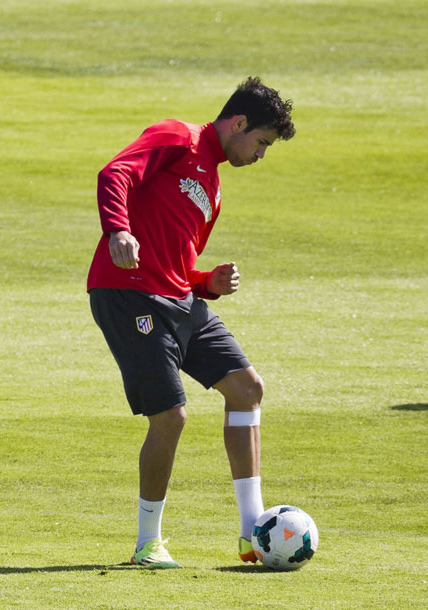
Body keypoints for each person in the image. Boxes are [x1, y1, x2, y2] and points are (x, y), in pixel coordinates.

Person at [87, 77, 295, 568]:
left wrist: (208, 282)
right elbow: (114, 173)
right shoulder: (176, 136)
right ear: (238, 123)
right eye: (262, 142)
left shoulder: (214, 190)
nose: (261, 154)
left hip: (178, 299)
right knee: (171, 416)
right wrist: (117, 229)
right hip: (128, 293)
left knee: (247, 388)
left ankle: (252, 533)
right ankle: (148, 543)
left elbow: (177, 263)